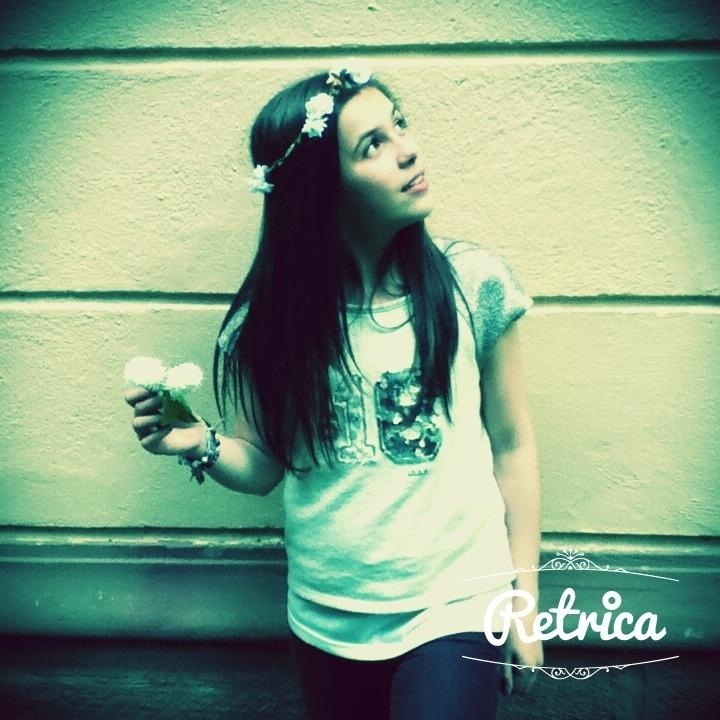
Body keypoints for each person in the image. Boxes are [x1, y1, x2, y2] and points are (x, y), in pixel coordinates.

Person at [125, 62, 543, 719]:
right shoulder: (269, 324)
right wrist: (197, 442)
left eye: (399, 124)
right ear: (322, 189)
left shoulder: (472, 285)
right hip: (326, 619)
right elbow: (262, 464)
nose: (408, 148)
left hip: (459, 605)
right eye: (372, 144)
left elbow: (512, 447)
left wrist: (523, 600)